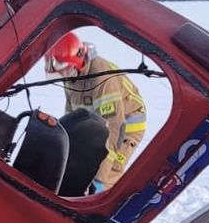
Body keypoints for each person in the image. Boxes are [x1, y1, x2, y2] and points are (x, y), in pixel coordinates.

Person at [45, 32, 147, 191]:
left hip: (125, 128)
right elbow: (71, 113)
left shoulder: (101, 78)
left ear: (77, 61)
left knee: (107, 175)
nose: (64, 76)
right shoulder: (71, 75)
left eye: (66, 71)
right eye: (61, 72)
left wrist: (99, 180)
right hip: (98, 123)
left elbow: (115, 129)